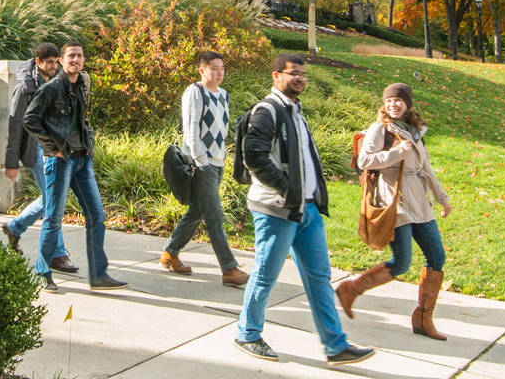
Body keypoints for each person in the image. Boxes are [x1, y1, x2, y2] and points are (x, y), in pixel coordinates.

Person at [233, 54, 373, 366]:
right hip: (277, 210)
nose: (299, 78)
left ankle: (335, 346)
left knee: (319, 278)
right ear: (275, 76)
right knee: (266, 275)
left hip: (306, 211)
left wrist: (308, 195)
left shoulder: (295, 111)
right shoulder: (267, 110)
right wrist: (286, 187)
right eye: (293, 73)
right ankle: (247, 332)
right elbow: (253, 155)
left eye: (302, 74)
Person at [334, 82, 453, 340]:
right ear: (384, 103)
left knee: (437, 257)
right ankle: (351, 289)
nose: (394, 104)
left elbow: (427, 168)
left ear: (407, 103)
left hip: (420, 202)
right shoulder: (380, 129)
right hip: (394, 201)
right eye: (389, 100)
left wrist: (442, 198)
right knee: (401, 263)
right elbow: (365, 160)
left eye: (399, 100)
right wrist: (397, 153)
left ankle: (423, 318)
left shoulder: (415, 131)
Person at [23, 43, 127, 294]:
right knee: (54, 218)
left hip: (82, 159)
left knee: (97, 216)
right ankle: (43, 272)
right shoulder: (51, 89)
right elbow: (30, 120)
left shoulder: (83, 84)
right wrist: (53, 148)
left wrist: (88, 142)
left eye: (79, 56)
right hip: (59, 161)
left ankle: (99, 275)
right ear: (61, 60)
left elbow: (83, 117)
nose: (76, 60)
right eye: (71, 56)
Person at [160, 51, 249, 288]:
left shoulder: (223, 95)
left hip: (217, 162)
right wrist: (202, 161)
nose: (219, 73)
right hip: (203, 164)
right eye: (214, 68)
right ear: (202, 70)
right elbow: (191, 131)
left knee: (198, 211)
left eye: (222, 68)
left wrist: (222, 158)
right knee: (214, 215)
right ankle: (229, 269)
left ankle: (170, 252)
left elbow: (222, 128)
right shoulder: (195, 92)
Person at [0, 44, 71, 266]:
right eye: (48, 62)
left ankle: (15, 227)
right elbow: (15, 124)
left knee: (53, 198)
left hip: (56, 149)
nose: (53, 66)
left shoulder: (57, 83)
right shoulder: (25, 88)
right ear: (38, 62)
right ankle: (56, 253)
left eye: (55, 61)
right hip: (37, 149)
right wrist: (11, 162)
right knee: (54, 199)